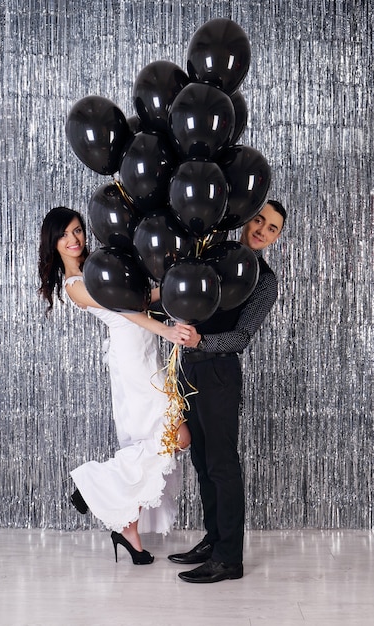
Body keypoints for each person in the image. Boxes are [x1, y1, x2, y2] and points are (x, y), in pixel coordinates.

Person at [38, 206, 191, 565]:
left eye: (77, 230)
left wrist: (172, 285)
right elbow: (126, 308)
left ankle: (129, 532)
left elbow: (141, 297)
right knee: (176, 436)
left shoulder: (101, 264)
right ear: (54, 244)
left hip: (146, 352)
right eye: (64, 235)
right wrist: (167, 329)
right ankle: (94, 485)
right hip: (131, 359)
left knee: (152, 442)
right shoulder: (76, 286)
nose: (73, 239)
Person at [167, 200, 286, 583]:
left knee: (221, 465)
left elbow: (242, 337)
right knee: (202, 461)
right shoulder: (213, 256)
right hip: (190, 367)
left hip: (219, 372)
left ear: (277, 238)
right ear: (246, 217)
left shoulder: (264, 280)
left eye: (272, 228)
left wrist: (201, 341)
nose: (262, 230)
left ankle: (229, 559)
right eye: (259, 219)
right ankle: (214, 539)